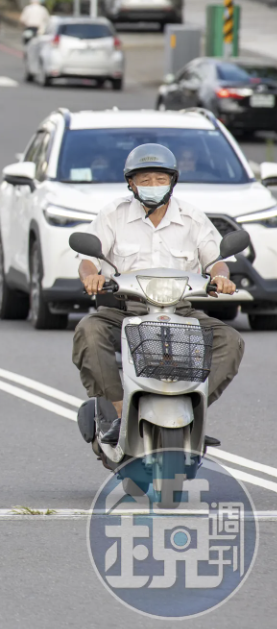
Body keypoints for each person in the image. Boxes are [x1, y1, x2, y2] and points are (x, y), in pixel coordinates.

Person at [73, 144, 243, 446]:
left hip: (182, 311)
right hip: (127, 310)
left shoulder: (192, 217)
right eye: (145, 179)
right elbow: (89, 259)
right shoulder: (114, 214)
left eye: (160, 179)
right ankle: (119, 412)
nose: (153, 186)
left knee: (230, 341)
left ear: (172, 181)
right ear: (131, 183)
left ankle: (192, 412)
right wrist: (92, 277)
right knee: (89, 330)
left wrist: (220, 277)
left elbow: (217, 259)